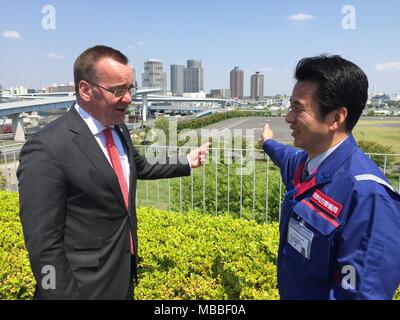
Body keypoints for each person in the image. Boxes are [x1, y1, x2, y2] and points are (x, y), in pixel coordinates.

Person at [17, 45, 211, 300]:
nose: (129, 99)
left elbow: (138, 167)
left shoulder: (119, 130)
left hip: (121, 277)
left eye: (129, 89)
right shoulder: (47, 148)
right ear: (86, 90)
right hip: (82, 288)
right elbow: (44, 247)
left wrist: (185, 161)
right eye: (118, 90)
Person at [259, 54, 400, 300]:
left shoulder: (369, 199)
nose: (288, 118)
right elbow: (284, 155)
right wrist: (267, 142)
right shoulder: (306, 164)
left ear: (336, 117)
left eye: (298, 108)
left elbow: (363, 295)